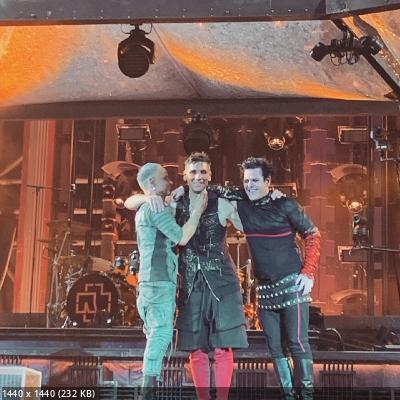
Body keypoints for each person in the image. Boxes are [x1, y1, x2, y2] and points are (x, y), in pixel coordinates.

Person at [125, 153, 248, 400]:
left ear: (210, 175)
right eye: (193, 172)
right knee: (196, 348)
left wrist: (246, 203)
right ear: (185, 175)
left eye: (203, 172)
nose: (198, 176)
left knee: (223, 346)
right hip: (189, 282)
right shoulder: (174, 201)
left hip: (221, 280)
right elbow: (131, 202)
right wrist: (146, 196)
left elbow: (248, 226)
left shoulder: (221, 202)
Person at [211, 157, 321, 400]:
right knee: (275, 348)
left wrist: (309, 272)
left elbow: (312, 234)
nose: (249, 185)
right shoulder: (241, 200)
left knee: (297, 343)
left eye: (255, 180)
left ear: (268, 181)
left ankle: (306, 396)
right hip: (265, 290)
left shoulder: (286, 204)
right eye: (246, 180)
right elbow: (214, 189)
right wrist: (179, 191)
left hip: (292, 285)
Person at [126, 162, 207, 399]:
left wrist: (165, 200)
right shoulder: (154, 208)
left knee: (155, 333)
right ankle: (147, 391)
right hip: (159, 280)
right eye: (164, 177)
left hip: (150, 281)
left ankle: (149, 388)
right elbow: (181, 237)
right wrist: (197, 212)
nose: (170, 181)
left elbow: (138, 204)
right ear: (152, 182)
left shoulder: (151, 206)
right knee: (160, 333)